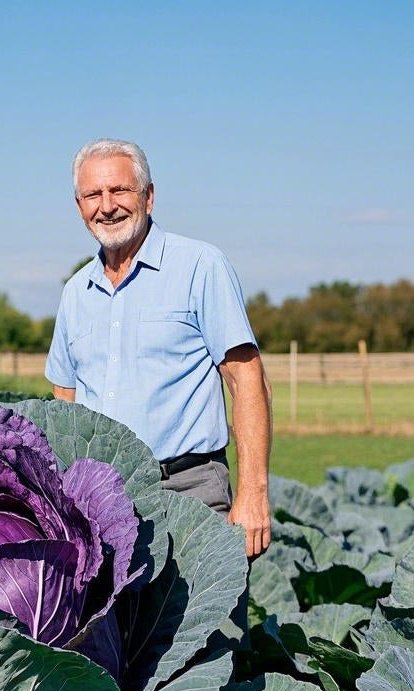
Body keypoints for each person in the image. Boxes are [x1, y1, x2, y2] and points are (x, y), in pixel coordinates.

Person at [45, 138, 272, 558]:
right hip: (100, 504)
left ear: (148, 197)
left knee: (204, 623)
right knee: (111, 627)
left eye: (120, 191)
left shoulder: (200, 266)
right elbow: (65, 402)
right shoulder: (76, 292)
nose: (107, 205)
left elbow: (246, 379)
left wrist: (253, 494)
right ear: (79, 206)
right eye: (93, 194)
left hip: (188, 492)